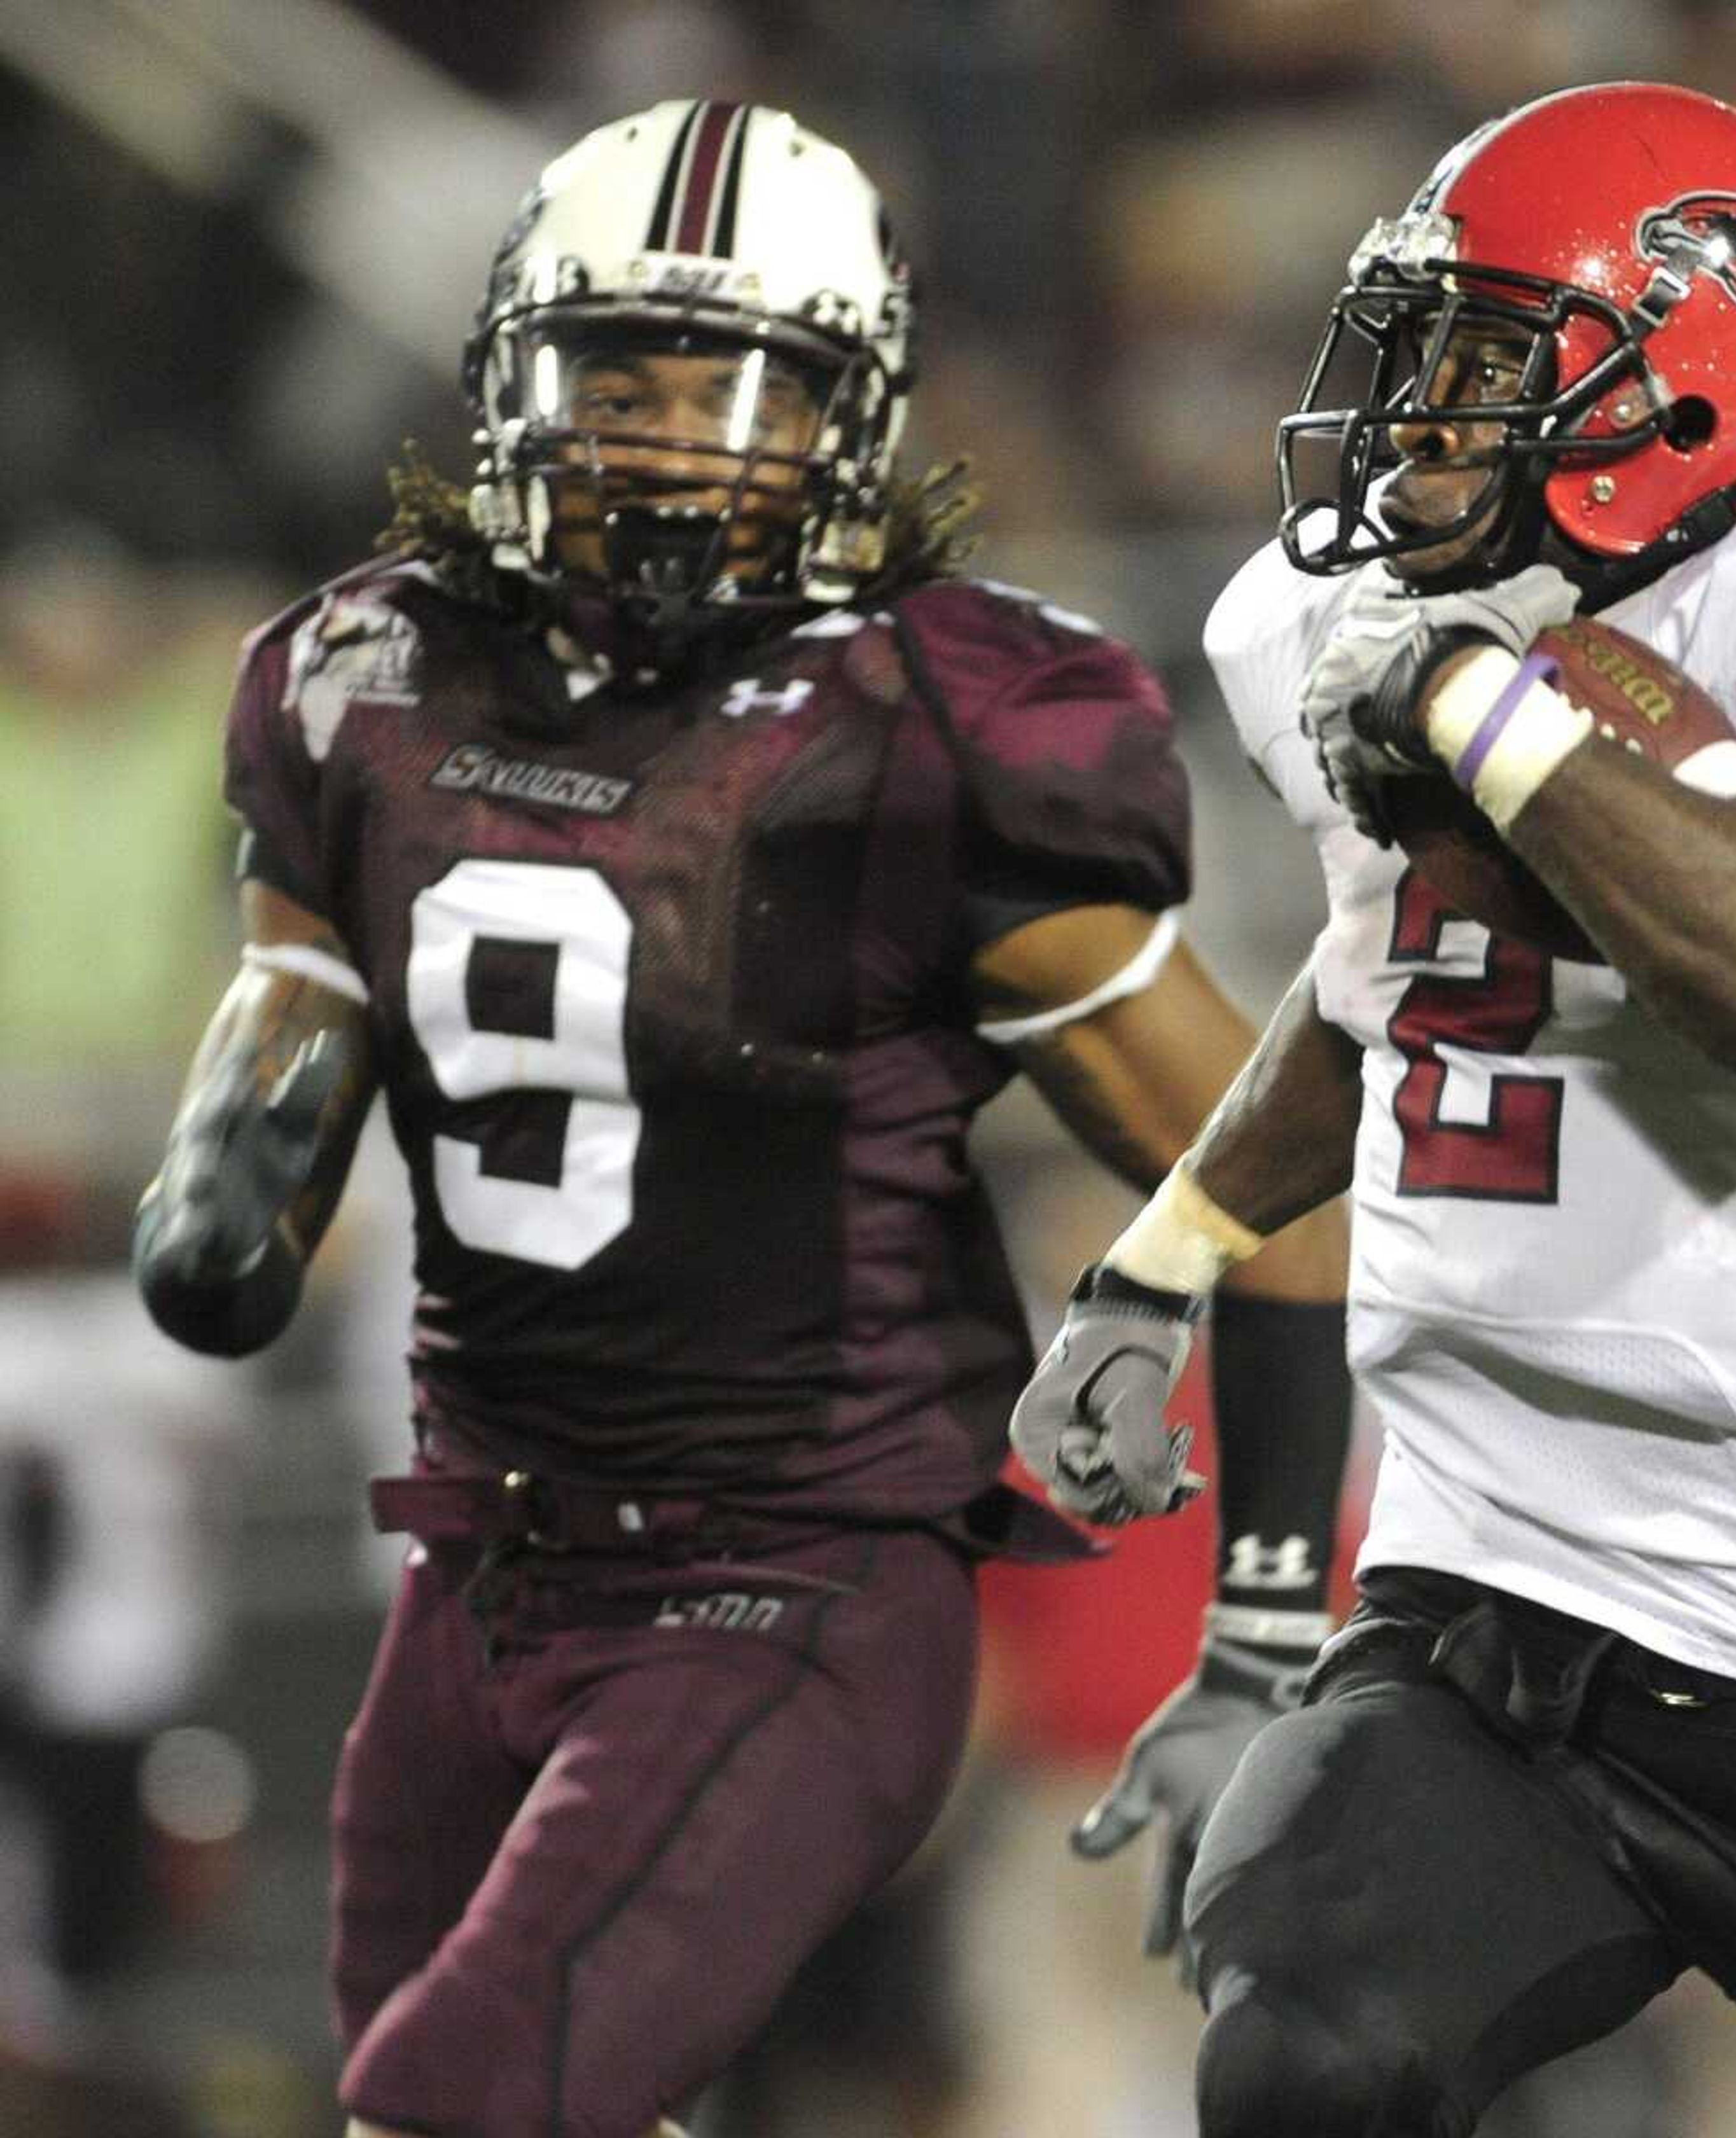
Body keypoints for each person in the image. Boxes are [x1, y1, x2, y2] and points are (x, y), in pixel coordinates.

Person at [130, 99, 1348, 2138]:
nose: (677, 438)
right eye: (624, 377)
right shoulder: (363, 674)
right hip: (480, 1571)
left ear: (850, 415)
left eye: (742, 390)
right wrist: (249, 1121)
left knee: (454, 2102)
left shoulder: (952, 734)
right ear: (515, 378)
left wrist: (1278, 1613)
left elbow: (1270, 1182)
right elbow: (304, 968)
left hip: (793, 1573)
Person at [1012, 80, 1736, 2136]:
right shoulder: (1380, 634)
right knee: (1307, 2049)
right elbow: (1389, 977)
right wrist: (1168, 1254)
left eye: (1488, 363)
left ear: (1696, 384)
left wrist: (1480, 711)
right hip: (1484, 1601)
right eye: (1419, 362)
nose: (1419, 425)